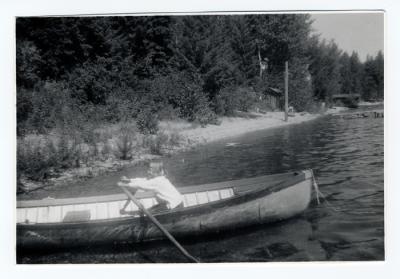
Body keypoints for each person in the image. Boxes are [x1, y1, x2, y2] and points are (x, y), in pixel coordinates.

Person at [118, 161, 184, 214]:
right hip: (172, 204)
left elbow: (141, 185)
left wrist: (126, 185)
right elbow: (142, 180)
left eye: (149, 169)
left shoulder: (157, 181)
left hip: (175, 206)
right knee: (147, 211)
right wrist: (129, 180)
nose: (147, 171)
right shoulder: (157, 178)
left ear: (155, 171)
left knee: (147, 213)